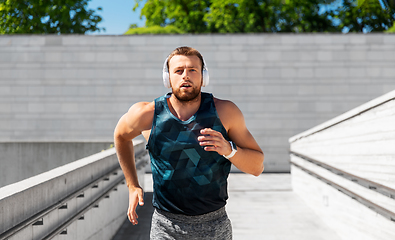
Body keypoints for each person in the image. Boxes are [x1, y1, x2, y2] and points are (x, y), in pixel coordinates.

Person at [114, 46, 264, 239]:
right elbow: (120, 136)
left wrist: (229, 150)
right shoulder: (147, 114)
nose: (186, 75)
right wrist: (132, 185)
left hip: (214, 226)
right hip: (165, 227)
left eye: (193, 70)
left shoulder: (225, 112)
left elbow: (257, 167)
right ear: (168, 78)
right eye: (178, 71)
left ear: (203, 77)